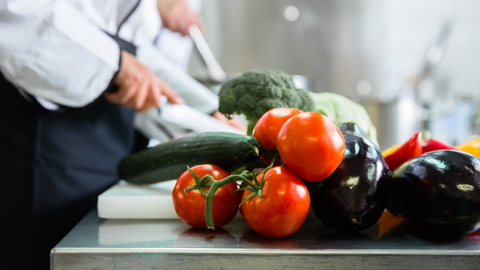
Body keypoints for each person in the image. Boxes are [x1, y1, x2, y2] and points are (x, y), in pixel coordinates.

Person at [0, 0, 241, 269]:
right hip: (41, 125)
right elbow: (15, 14)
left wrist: (206, 110)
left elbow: (131, 55)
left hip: (107, 120)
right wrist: (113, 64)